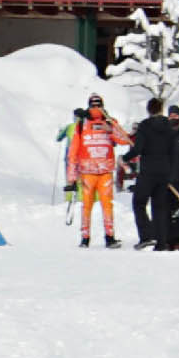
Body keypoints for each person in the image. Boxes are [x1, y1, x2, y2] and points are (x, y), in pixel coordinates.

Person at [128, 95, 179, 252]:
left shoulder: (146, 126)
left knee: (144, 204)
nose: (173, 117)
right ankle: (162, 242)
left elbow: (138, 148)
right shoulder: (166, 130)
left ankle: (163, 239)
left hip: (165, 175)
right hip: (164, 175)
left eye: (176, 115)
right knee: (161, 208)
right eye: (171, 114)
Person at [63, 96, 124, 247]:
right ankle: (85, 238)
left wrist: (111, 129)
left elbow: (123, 139)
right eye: (93, 105)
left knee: (106, 205)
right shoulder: (81, 125)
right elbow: (73, 152)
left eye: (99, 105)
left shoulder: (110, 121)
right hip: (88, 171)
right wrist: (71, 178)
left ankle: (109, 237)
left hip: (105, 170)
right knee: (87, 205)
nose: (96, 108)